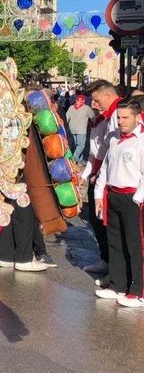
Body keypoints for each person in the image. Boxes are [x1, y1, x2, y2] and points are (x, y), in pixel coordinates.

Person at [93, 98, 144, 308]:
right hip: (112, 194)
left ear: (137, 117)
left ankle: (138, 290)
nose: (121, 122)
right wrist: (98, 195)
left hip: (133, 197)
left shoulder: (141, 140)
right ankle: (117, 284)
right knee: (115, 242)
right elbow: (105, 167)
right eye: (118, 117)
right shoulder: (113, 138)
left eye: (125, 118)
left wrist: (138, 198)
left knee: (135, 245)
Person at [80, 80, 123, 274]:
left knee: (110, 227)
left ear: (108, 95)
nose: (94, 104)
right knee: (99, 222)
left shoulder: (116, 115)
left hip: (113, 178)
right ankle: (108, 262)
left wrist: (97, 174)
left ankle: (116, 272)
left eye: (97, 100)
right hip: (102, 174)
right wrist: (87, 173)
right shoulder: (106, 116)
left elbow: (110, 151)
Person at [66, 94, 95, 165]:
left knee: (77, 146)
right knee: (81, 146)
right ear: (84, 100)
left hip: (72, 129)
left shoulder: (71, 107)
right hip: (81, 130)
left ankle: (80, 162)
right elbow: (93, 118)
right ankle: (74, 159)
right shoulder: (87, 108)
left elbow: (66, 118)